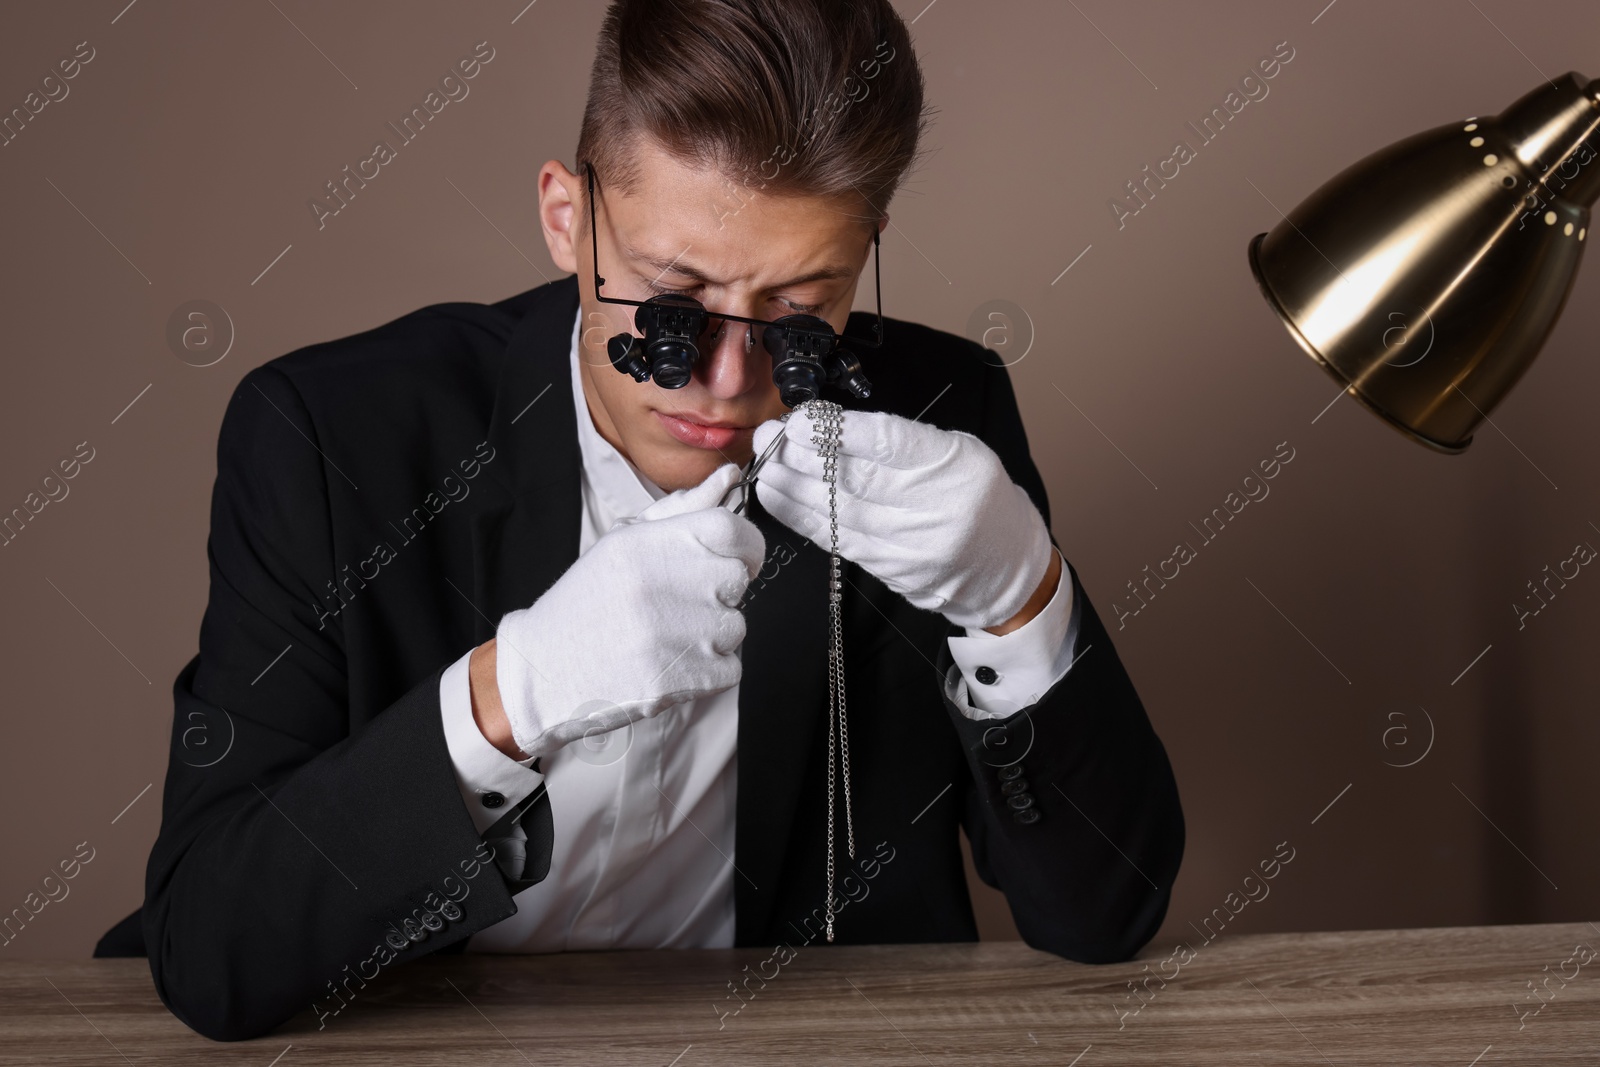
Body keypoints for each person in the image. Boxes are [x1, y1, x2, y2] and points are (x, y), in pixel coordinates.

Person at [95, 0, 1184, 1041]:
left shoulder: (940, 416)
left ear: (868, 246)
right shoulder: (335, 438)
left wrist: (1020, 598)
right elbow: (210, 944)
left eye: (800, 307)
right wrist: (506, 699)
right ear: (567, 217)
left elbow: (1105, 912)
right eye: (671, 297)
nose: (723, 379)